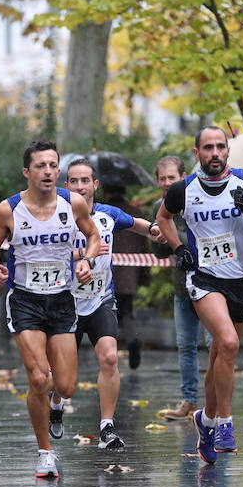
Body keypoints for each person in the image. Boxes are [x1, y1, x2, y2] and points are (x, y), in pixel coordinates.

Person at [156, 126, 243, 464]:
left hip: (240, 278)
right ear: (196, 153)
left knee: (219, 357)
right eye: (207, 147)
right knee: (228, 344)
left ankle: (205, 418)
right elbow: (163, 217)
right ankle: (224, 422)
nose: (214, 153)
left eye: (220, 147)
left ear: (227, 151)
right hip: (204, 278)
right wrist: (179, 247)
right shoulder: (183, 189)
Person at [0, 140, 100, 478]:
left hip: (62, 300)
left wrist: (88, 260)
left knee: (65, 386)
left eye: (53, 165)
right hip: (25, 300)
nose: (48, 171)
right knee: (38, 377)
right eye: (40, 166)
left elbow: (92, 236)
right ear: (27, 172)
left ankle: (55, 403)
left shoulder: (73, 203)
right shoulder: (8, 210)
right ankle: (45, 453)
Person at [64, 158, 167, 451]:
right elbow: (40, 254)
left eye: (85, 181)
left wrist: (156, 230)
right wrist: (79, 255)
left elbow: (139, 225)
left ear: (95, 185)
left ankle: (107, 426)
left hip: (100, 299)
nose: (80, 186)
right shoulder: (56, 217)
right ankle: (57, 402)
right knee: (61, 378)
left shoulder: (109, 214)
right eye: (74, 181)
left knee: (110, 358)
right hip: (66, 302)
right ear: (66, 186)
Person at [152, 156, 210, 421]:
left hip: (211, 284)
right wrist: (159, 236)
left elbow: (204, 238)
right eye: (162, 178)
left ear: (183, 176)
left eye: (171, 178)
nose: (166, 183)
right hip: (182, 286)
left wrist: (176, 238)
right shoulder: (158, 206)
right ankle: (189, 400)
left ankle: (215, 402)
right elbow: (158, 253)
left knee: (214, 344)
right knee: (185, 345)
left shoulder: (198, 199)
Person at [102, 185, 148, 369]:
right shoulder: (135, 213)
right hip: (130, 274)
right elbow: (145, 244)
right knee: (126, 312)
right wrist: (144, 276)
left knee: (105, 314)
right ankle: (132, 339)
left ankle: (112, 348)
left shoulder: (102, 214)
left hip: (105, 274)